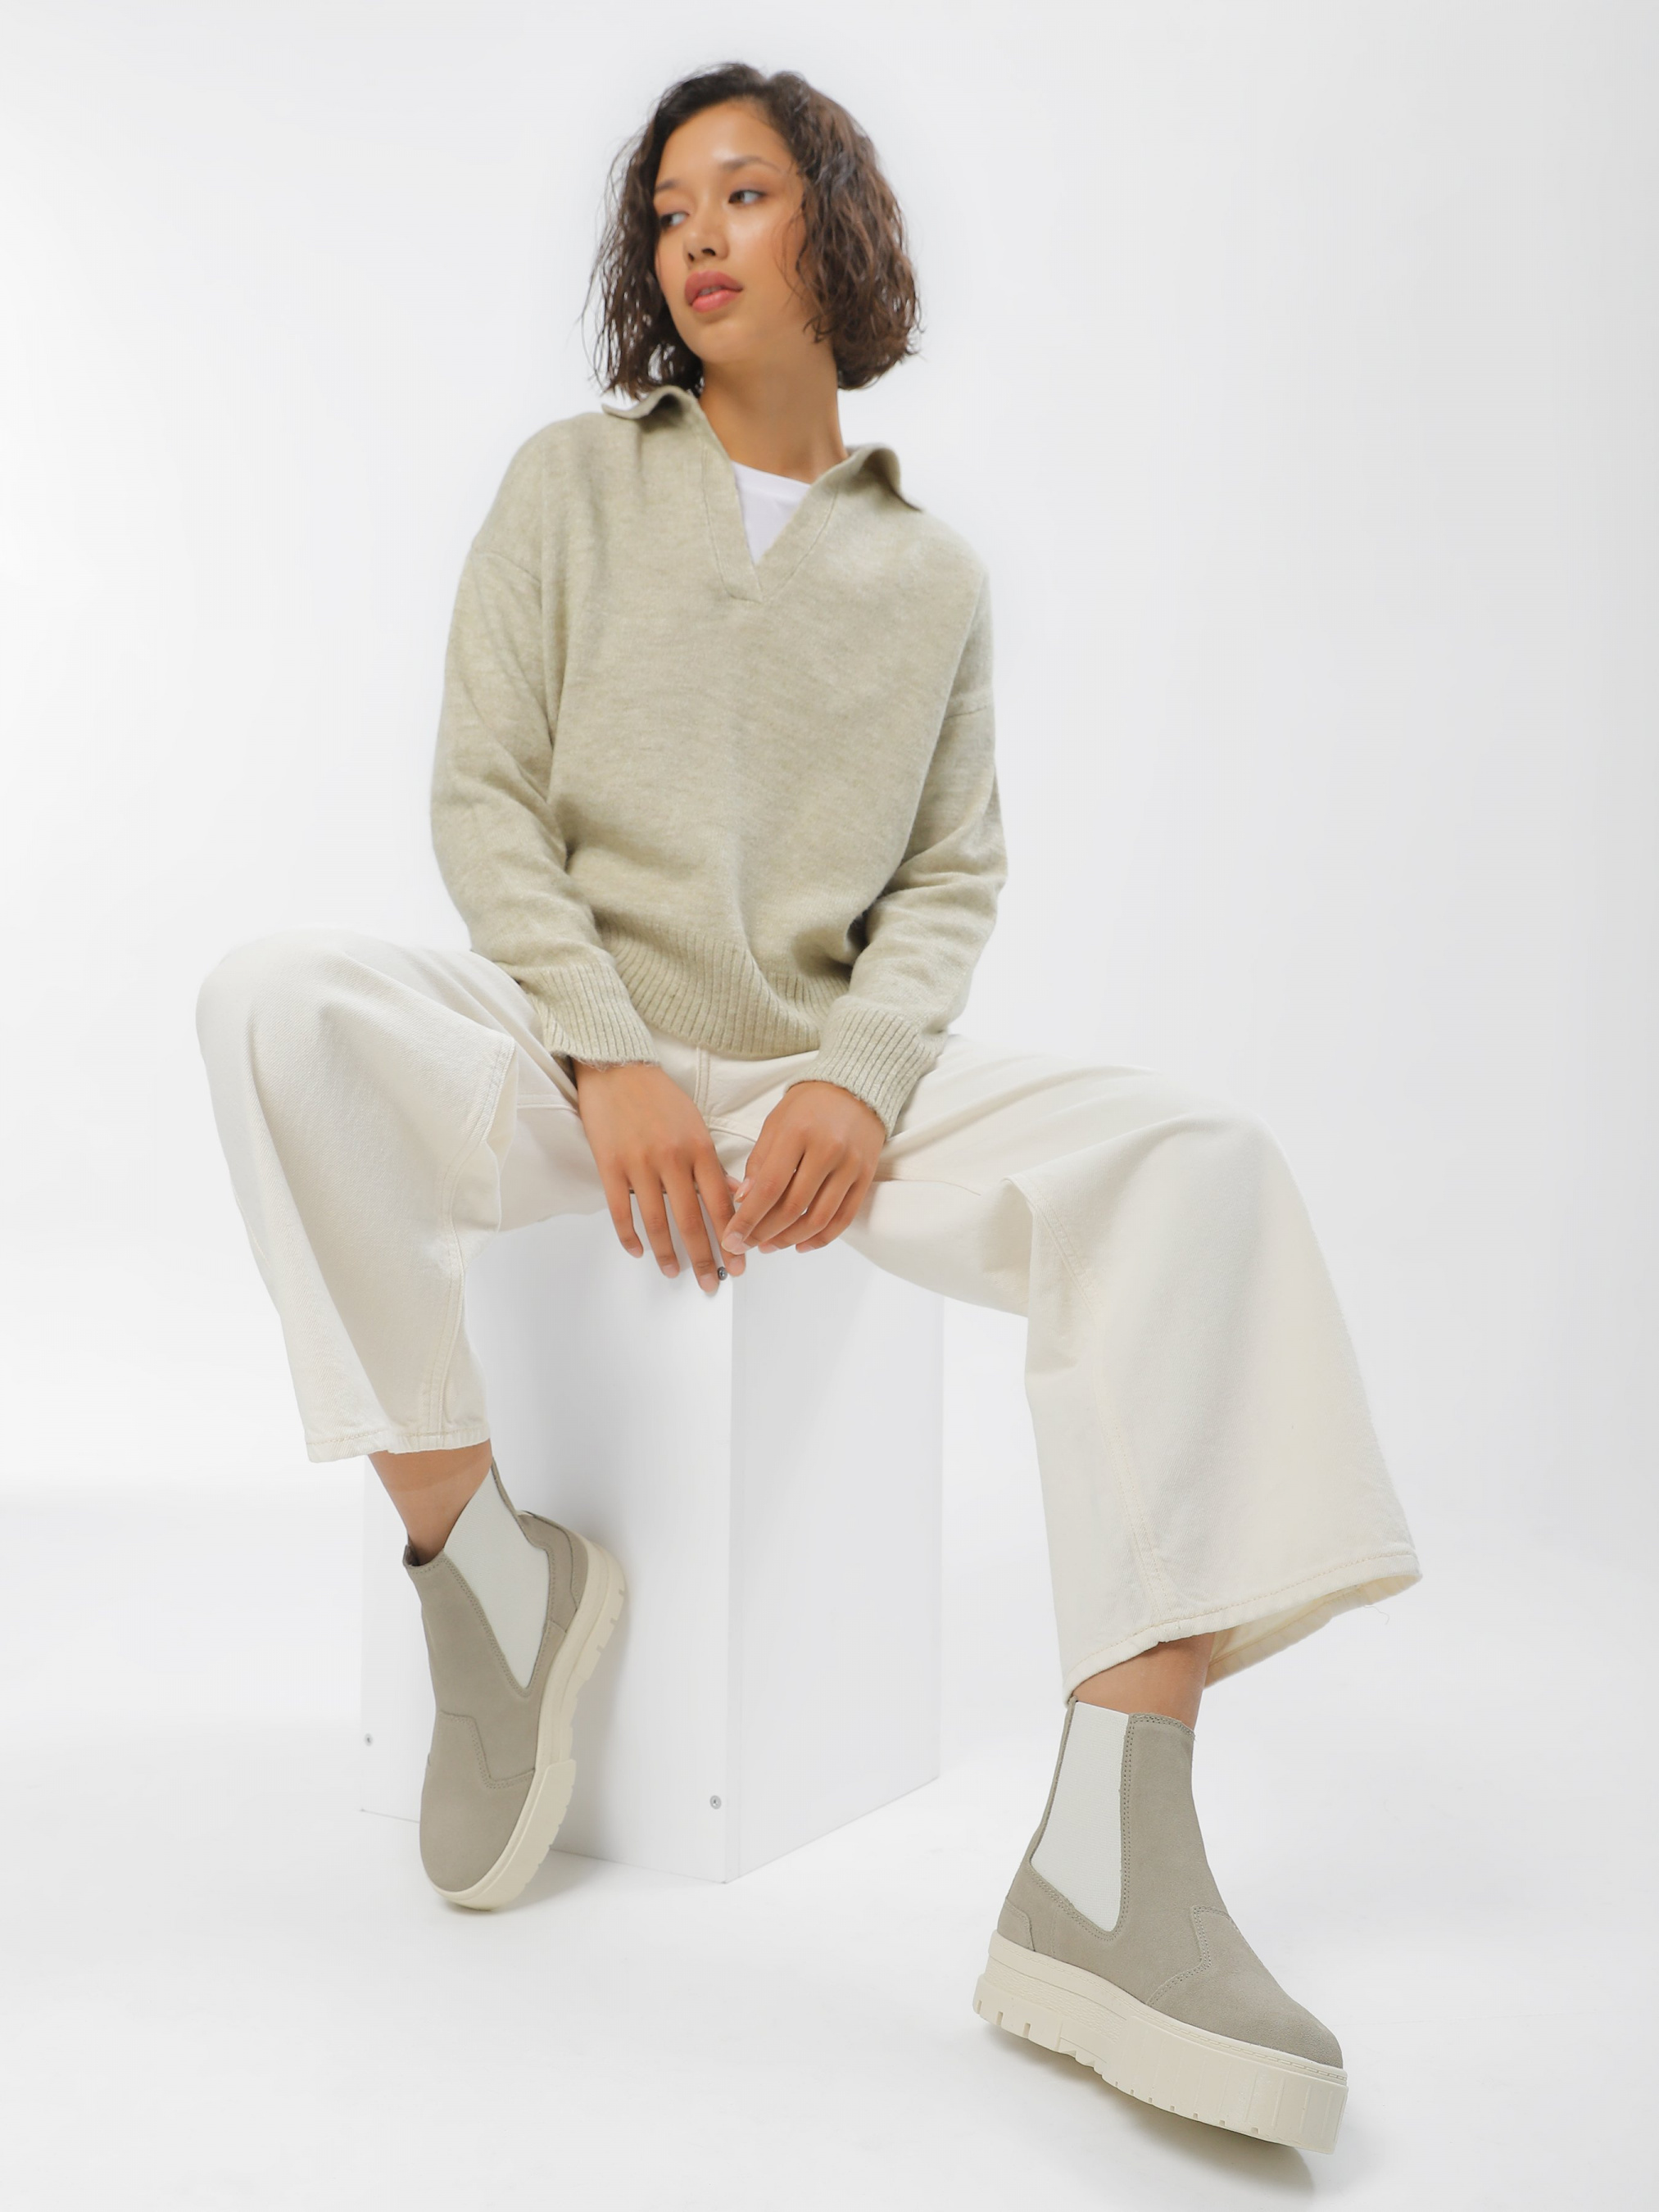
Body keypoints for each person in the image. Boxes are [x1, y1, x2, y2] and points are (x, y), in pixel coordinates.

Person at [196, 61, 1420, 2155]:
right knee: (272, 1004)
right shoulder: (569, 486)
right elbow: (481, 800)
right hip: (563, 1057)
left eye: (742, 193)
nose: (695, 234)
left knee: (1199, 1164)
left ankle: (1108, 1854)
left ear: (831, 228)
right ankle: (481, 1568)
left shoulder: (931, 578)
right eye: (667, 206)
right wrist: (602, 1052)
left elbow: (948, 880)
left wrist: (857, 1080)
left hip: (809, 1099)